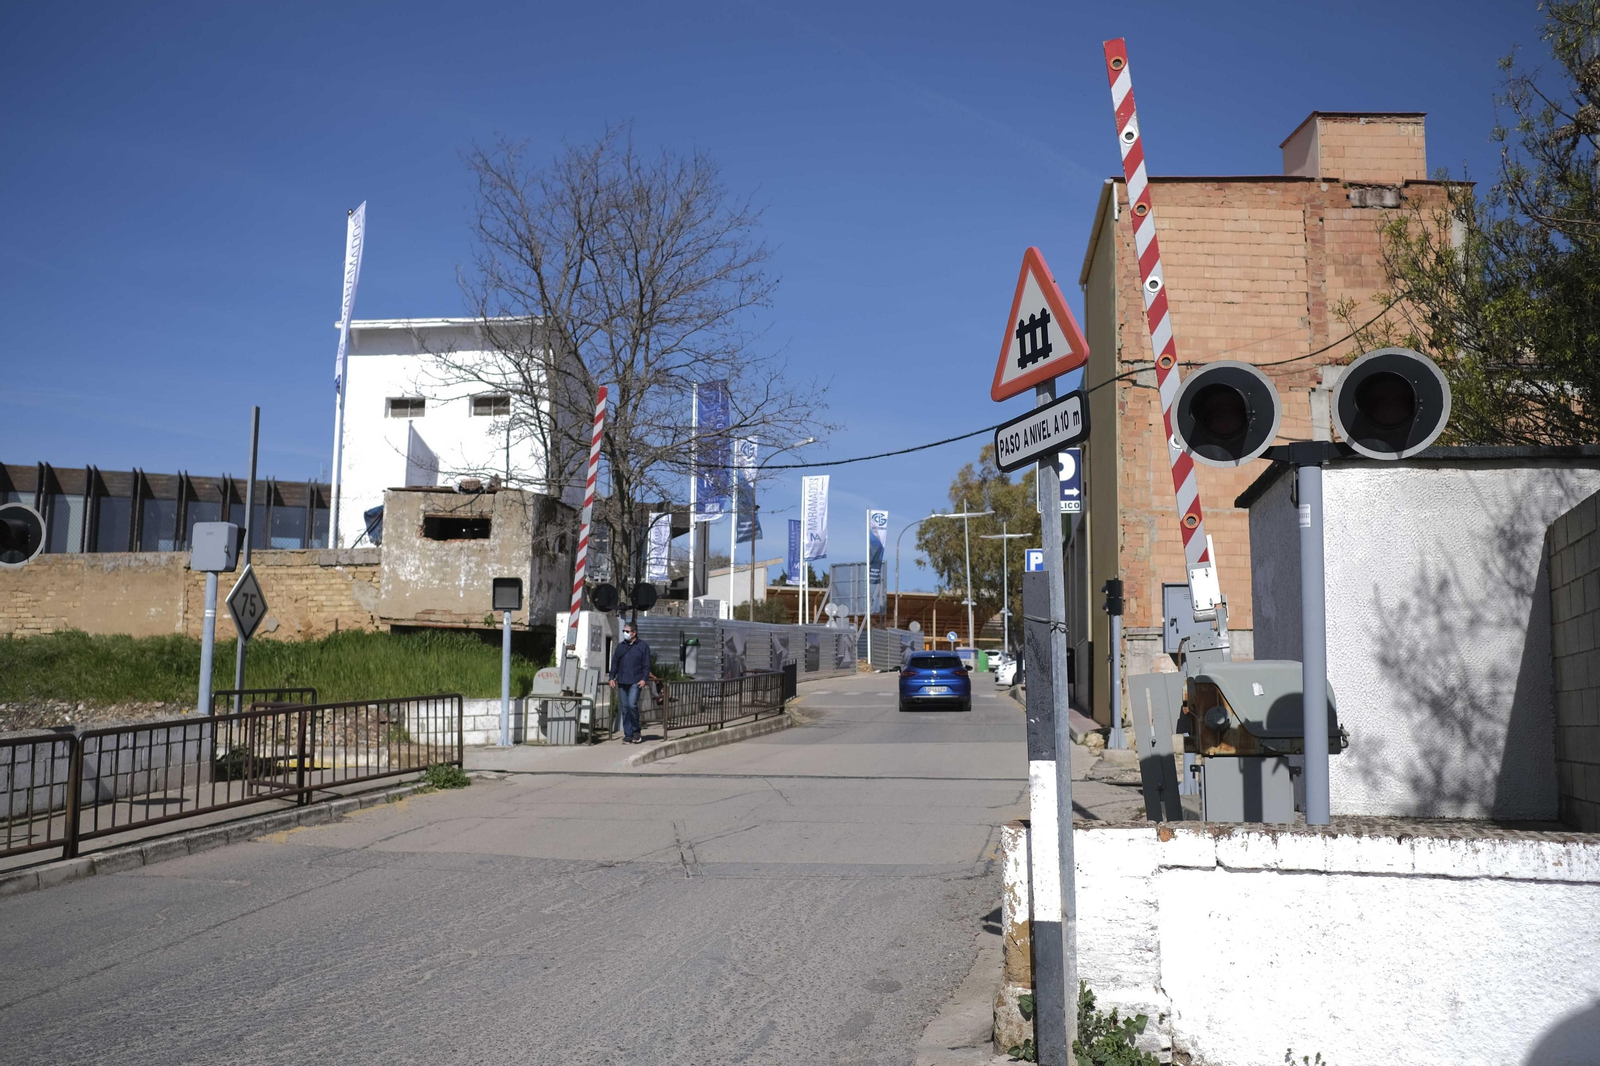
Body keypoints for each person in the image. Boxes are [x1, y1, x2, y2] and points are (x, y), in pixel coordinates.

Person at [609, 621, 651, 744]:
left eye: (627, 631)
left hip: (636, 681)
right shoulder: (621, 646)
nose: (625, 633)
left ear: (634, 633)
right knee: (625, 708)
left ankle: (636, 731)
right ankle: (628, 734)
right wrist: (612, 677)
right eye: (624, 631)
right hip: (622, 681)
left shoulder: (643, 646)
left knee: (632, 705)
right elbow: (615, 662)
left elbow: (646, 665)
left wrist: (644, 679)